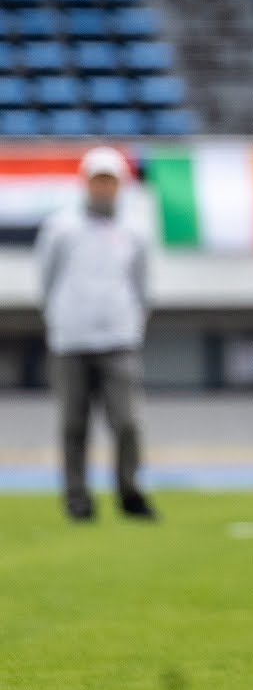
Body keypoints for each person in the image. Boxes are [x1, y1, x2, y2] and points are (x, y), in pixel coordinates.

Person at [36, 145, 156, 522]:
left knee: (127, 422)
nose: (103, 187)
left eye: (110, 180)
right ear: (86, 182)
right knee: (74, 424)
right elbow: (46, 280)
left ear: (120, 184)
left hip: (118, 340)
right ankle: (77, 499)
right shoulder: (61, 227)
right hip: (71, 341)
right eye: (97, 180)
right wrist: (60, 320)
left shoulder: (134, 229)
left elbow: (141, 285)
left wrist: (131, 323)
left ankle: (129, 492)